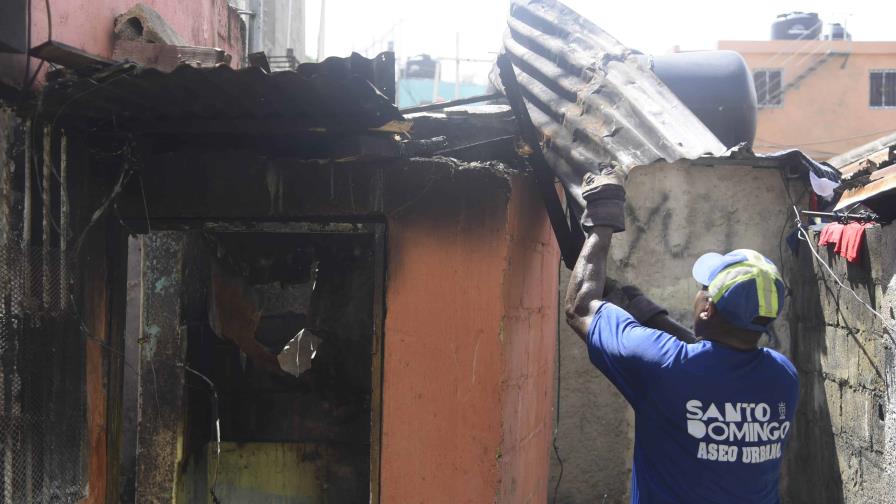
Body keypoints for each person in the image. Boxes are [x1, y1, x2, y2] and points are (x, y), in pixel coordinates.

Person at [565, 165, 799, 504]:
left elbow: (580, 307)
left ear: (707, 308)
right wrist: (651, 315)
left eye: (704, 288)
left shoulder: (661, 366)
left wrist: (603, 212)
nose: (698, 292)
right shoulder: (783, 376)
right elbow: (712, 368)